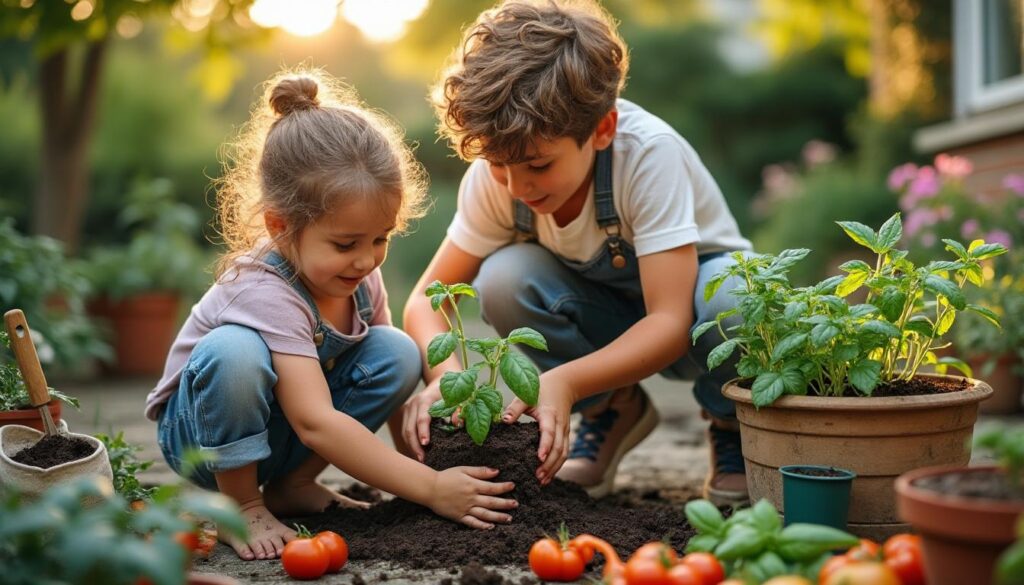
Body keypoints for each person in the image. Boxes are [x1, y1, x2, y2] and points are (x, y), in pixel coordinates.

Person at [145, 70, 517, 562]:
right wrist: (430, 488)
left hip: (286, 437)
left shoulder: (357, 276)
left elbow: (390, 392)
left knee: (399, 351)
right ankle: (244, 503)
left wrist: (432, 461)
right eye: (345, 244)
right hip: (205, 441)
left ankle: (295, 485)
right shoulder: (262, 287)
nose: (366, 259)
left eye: (380, 238)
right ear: (281, 227)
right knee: (234, 352)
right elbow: (317, 421)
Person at [401, 0, 753, 506]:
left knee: (734, 301)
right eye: (500, 165)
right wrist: (447, 380)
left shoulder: (647, 156)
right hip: (607, 313)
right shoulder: (497, 177)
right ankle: (613, 407)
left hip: (695, 317)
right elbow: (426, 300)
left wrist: (561, 383)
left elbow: (670, 322)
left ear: (603, 129)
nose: (517, 186)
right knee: (503, 278)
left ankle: (728, 421)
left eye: (538, 166)